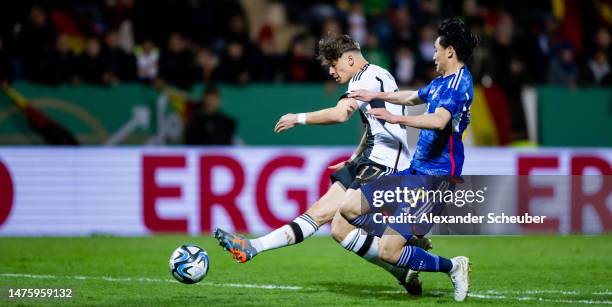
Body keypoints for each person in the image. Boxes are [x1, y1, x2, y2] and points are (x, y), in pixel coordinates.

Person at [214, 33, 430, 295]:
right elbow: (375, 126)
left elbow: (341, 115)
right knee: (328, 220)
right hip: (370, 159)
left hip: (384, 162)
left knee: (343, 221)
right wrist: (353, 158)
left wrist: (299, 117)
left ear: (349, 59)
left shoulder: (368, 77)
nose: (330, 71)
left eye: (332, 63)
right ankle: (253, 247)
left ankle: (407, 248)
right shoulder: (373, 76)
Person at [341, 18, 478, 301]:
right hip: (415, 170)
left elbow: (440, 121)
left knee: (389, 252)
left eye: (436, 49)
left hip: (436, 178)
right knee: (349, 207)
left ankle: (453, 266)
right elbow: (414, 96)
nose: (432, 54)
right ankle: (411, 237)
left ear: (450, 51)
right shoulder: (441, 82)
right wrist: (376, 95)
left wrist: (395, 117)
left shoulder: (459, 85)